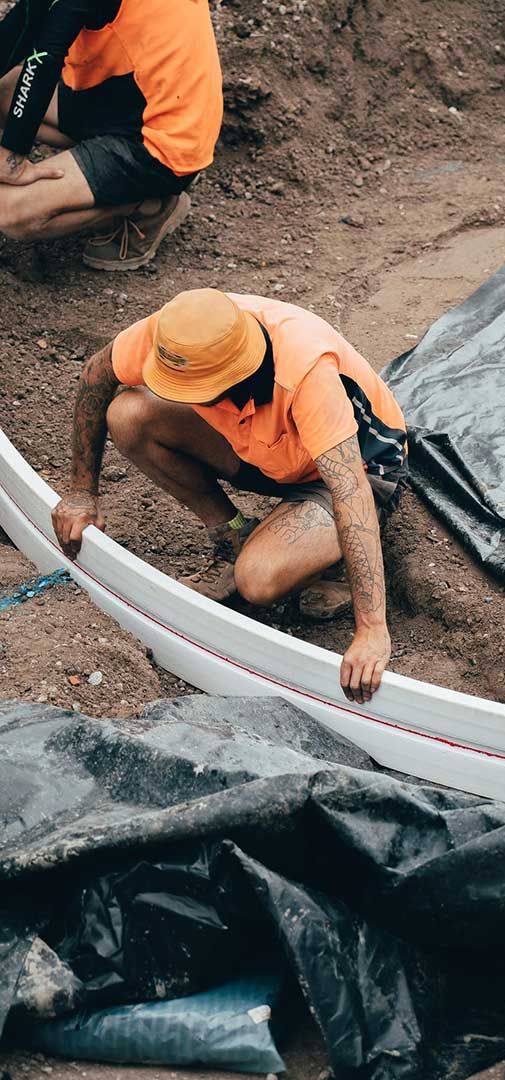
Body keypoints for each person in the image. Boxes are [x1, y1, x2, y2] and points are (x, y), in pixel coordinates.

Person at [52, 289, 409, 703]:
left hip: (354, 471)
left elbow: (351, 492)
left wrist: (371, 629)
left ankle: (332, 568)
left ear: (233, 373)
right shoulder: (178, 333)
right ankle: (234, 534)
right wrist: (81, 493)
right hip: (264, 449)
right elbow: (97, 376)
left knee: (256, 579)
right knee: (128, 415)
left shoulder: (305, 372)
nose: (176, 392)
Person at [0, 0, 222, 270]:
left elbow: (44, 57)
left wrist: (12, 154)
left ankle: (148, 206)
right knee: (4, 90)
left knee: (9, 210)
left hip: (168, 142)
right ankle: (97, 173)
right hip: (126, 98)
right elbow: (23, 24)